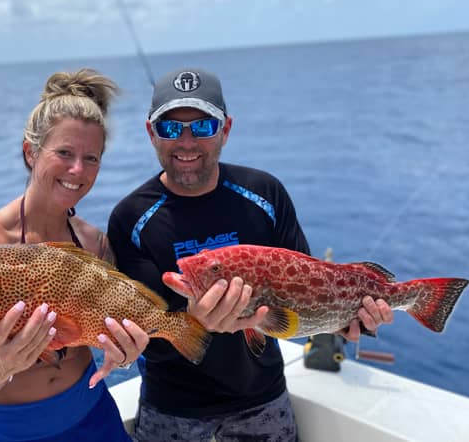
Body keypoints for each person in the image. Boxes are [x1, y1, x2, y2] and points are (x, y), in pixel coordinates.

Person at [107, 67, 394, 441]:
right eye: (172, 128)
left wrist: (347, 320)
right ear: (151, 134)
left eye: (204, 126)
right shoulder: (130, 218)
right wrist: (196, 324)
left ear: (226, 129)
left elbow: (306, 295)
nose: (187, 142)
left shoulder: (265, 193)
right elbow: (143, 338)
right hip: (171, 410)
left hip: (263, 402)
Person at [0, 69, 149, 442]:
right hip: (6, 432)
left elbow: (108, 338)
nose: (77, 170)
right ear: (30, 152)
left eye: (92, 158)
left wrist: (123, 354)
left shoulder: (93, 245)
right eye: (64, 153)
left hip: (93, 419)